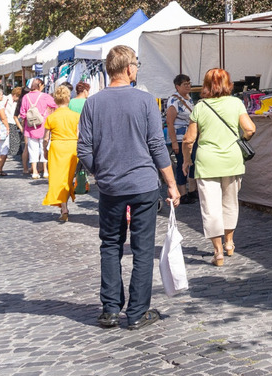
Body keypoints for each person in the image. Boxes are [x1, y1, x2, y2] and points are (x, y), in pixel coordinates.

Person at [77, 45, 180, 331]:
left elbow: (83, 149)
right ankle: (136, 312)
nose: (137, 69)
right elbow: (156, 145)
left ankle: (110, 309)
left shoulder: (93, 103)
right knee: (142, 248)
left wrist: (100, 171)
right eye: (136, 64)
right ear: (128, 68)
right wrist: (171, 184)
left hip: (111, 187)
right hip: (143, 184)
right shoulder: (145, 101)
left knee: (110, 245)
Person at [182, 68, 256, 266]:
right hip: (232, 160)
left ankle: (218, 252)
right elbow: (250, 128)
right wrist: (240, 139)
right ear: (228, 84)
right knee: (230, 202)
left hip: (207, 162)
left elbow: (189, 139)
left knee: (210, 207)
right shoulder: (236, 103)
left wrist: (186, 160)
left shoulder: (200, 106)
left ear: (206, 85)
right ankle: (229, 243)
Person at [43, 84, 81, 222]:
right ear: (68, 98)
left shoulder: (51, 117)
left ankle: (63, 207)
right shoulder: (75, 116)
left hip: (57, 148)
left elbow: (46, 138)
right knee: (67, 178)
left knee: (58, 178)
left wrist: (44, 152)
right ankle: (64, 205)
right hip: (72, 147)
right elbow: (79, 134)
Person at [164, 74, 198, 202]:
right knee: (181, 164)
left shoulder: (189, 99)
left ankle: (192, 190)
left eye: (189, 83)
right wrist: (174, 143)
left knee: (192, 162)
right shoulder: (174, 101)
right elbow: (170, 122)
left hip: (190, 136)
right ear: (177, 86)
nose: (188, 86)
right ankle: (182, 193)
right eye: (185, 84)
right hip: (180, 138)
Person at [19, 79, 56, 179]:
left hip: (30, 126)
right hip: (44, 125)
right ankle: (45, 170)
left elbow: (22, 113)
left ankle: (34, 171)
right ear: (39, 85)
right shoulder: (45, 96)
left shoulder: (26, 97)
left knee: (32, 149)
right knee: (43, 147)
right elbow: (55, 106)